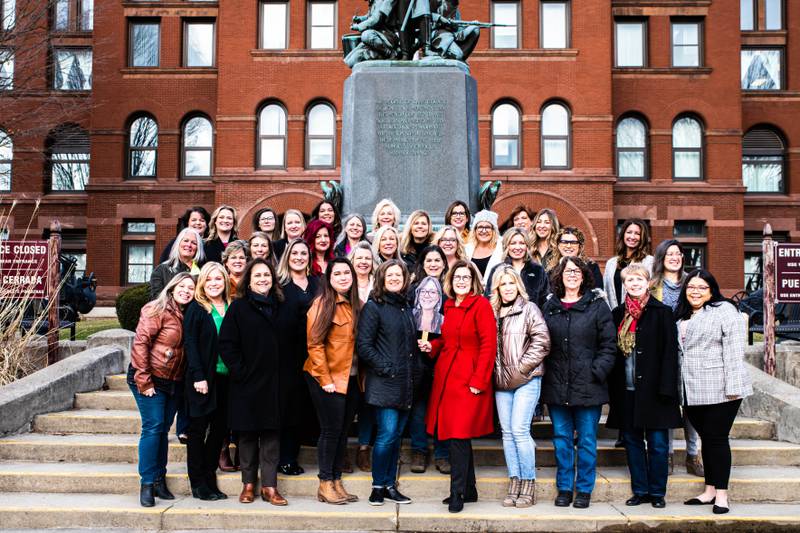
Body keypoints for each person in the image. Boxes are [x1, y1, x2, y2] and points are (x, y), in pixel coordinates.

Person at [419, 260, 496, 513]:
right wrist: (433, 347)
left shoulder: (481, 305)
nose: (461, 281)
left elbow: (488, 345)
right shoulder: (450, 305)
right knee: (456, 436)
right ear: (450, 282)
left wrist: (479, 381)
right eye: (457, 277)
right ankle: (470, 490)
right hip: (447, 379)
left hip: (469, 380)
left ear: (473, 280)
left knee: (458, 437)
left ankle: (457, 493)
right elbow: (447, 340)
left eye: (466, 277)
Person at [541, 257, 616, 509]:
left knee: (586, 440)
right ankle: (564, 487)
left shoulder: (597, 305)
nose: (571, 275)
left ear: (583, 276)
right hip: (556, 383)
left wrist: (597, 372)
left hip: (588, 385)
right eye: (567, 271)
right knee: (561, 438)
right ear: (559, 276)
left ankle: (584, 488)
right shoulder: (550, 306)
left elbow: (609, 345)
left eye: (576, 271)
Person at [676, 269, 752, 515]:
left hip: (720, 388)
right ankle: (709, 490)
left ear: (711, 291)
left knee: (717, 439)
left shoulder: (724, 311)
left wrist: (733, 387)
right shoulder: (681, 315)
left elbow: (734, 350)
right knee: (706, 439)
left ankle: (722, 495)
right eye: (690, 287)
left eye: (701, 287)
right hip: (692, 389)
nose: (695, 291)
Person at [605, 264, 681, 509]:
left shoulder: (662, 312)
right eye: (629, 280)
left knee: (658, 445)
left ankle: (657, 492)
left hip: (656, 391)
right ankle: (640, 489)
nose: (634, 284)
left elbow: (670, 354)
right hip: (626, 390)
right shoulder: (617, 314)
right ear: (624, 285)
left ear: (648, 282)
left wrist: (667, 389)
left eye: (639, 279)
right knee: (633, 442)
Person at [219, 259, 289, 506]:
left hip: (275, 383)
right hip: (246, 382)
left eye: (267, 275)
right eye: (257, 275)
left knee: (271, 435)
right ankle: (248, 484)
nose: (262, 279)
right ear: (248, 280)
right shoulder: (239, 308)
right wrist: (240, 371)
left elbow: (293, 342)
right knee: (247, 435)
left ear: (273, 279)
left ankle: (270, 487)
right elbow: (227, 344)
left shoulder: (281, 305)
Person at [128, 272, 196, 507]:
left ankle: (159, 479)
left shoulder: (190, 313)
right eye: (183, 286)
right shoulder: (157, 308)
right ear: (173, 286)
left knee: (164, 429)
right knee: (153, 426)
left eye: (191, 288)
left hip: (173, 381)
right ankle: (146, 483)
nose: (186, 291)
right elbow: (141, 343)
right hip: (149, 377)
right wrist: (144, 379)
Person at [356, 259, 417, 506]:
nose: (394, 278)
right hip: (385, 383)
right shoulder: (374, 307)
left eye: (398, 275)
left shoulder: (406, 308)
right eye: (389, 275)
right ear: (381, 278)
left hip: (405, 383)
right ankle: (377, 486)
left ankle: (391, 485)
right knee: (386, 435)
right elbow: (364, 346)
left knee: (396, 437)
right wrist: (386, 368)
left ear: (404, 280)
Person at [489, 265, 550, 508]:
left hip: (526, 379)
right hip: (501, 383)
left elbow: (542, 341)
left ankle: (528, 482)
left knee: (520, 430)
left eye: (511, 283)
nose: (507, 288)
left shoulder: (529, 308)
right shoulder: (492, 311)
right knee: (507, 433)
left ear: (518, 286)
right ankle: (514, 480)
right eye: (503, 284)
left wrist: (522, 368)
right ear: (497, 288)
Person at [304, 258, 362, 504]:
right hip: (326, 377)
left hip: (350, 379)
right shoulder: (323, 303)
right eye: (337, 273)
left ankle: (336, 481)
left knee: (342, 432)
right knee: (330, 431)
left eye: (346, 273)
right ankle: (325, 483)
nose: (342, 277)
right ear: (329, 278)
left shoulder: (356, 304)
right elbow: (314, 344)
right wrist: (325, 379)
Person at [650, 239, 703, 478]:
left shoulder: (692, 283)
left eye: (678, 254)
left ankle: (694, 455)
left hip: (691, 351)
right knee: (666, 403)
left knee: (692, 405)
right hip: (662, 353)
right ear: (661, 258)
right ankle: (668, 454)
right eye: (669, 253)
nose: (675, 257)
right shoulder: (652, 286)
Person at [183, 262, 232, 501]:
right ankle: (198, 482)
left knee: (219, 430)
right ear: (203, 282)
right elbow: (190, 344)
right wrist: (199, 376)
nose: (214, 283)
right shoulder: (197, 308)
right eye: (209, 279)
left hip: (226, 379)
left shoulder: (231, 307)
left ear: (225, 282)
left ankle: (210, 477)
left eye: (218, 279)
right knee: (198, 430)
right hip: (202, 379)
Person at [276, 237, 320, 476]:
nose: (299, 257)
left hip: (314, 353)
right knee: (289, 408)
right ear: (288, 257)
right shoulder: (280, 285)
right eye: (295, 253)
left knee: (308, 404)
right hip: (288, 355)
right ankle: (286, 458)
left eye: (304, 253)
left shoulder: (317, 283)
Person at [407, 258, 451, 475]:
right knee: (418, 409)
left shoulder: (445, 314)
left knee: (442, 410)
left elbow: (452, 339)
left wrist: (433, 345)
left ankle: (442, 453)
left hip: (439, 365)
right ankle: (419, 450)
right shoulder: (411, 313)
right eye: (424, 293)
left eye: (433, 293)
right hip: (416, 366)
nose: (428, 296)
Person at [349, 241, 378, 472]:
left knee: (368, 402)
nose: (363, 262)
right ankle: (341, 450)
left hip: (373, 353)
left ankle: (364, 448)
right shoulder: (345, 284)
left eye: (367, 258)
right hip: (348, 355)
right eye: (359, 258)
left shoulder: (377, 286)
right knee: (349, 403)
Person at [484, 228, 549, 309]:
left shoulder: (538, 270)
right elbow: (488, 299)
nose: (517, 247)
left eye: (522, 243)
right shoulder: (497, 270)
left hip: (532, 319)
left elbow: (545, 301)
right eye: (513, 243)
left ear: (527, 246)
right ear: (506, 246)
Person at [603, 218, 654, 309]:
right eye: (629, 232)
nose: (632, 237)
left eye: (637, 234)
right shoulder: (611, 263)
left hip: (640, 316)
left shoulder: (649, 262)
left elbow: (652, 291)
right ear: (623, 234)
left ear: (642, 237)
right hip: (613, 316)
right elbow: (605, 291)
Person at [150, 228, 204, 299]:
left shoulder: (203, 272)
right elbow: (156, 298)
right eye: (185, 241)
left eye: (194, 243)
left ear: (198, 248)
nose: (189, 245)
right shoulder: (161, 270)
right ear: (178, 243)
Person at [547, 227, 603, 291]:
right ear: (558, 245)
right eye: (564, 242)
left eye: (573, 242)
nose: (568, 246)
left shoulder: (591, 267)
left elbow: (597, 292)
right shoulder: (551, 269)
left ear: (580, 246)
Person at [465, 210, 504, 280]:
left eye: (488, 227)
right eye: (480, 227)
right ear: (475, 230)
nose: (484, 231)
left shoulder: (502, 247)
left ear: (494, 230)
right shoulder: (467, 249)